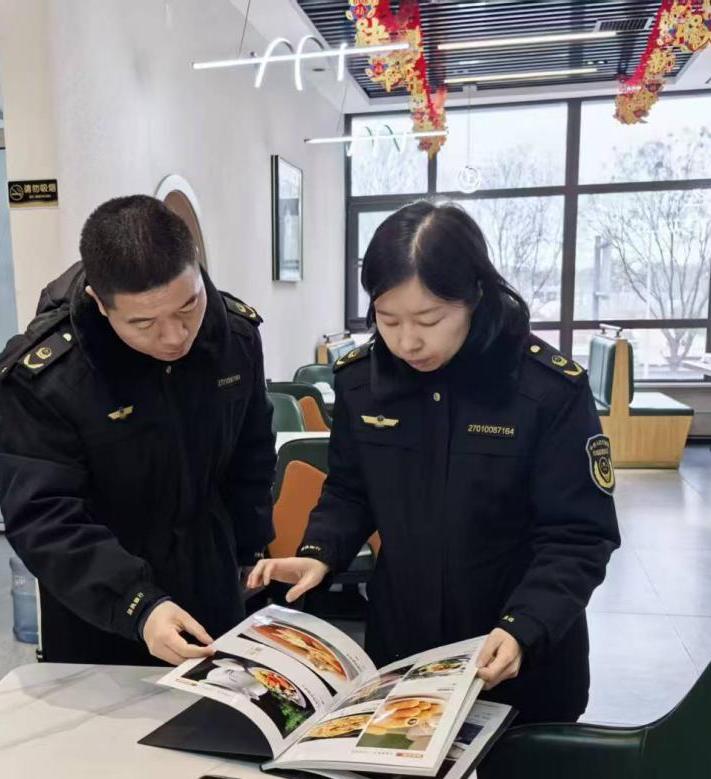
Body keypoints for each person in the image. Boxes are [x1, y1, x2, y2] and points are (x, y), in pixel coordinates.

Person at [248, 201, 620, 724]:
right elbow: (351, 490)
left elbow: (580, 535)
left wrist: (525, 625)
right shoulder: (363, 382)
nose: (407, 342)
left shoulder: (544, 390)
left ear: (476, 297)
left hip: (519, 659)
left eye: (429, 319)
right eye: (388, 319)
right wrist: (321, 551)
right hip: (405, 653)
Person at [0, 195, 275, 666]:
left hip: (213, 577)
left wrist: (248, 551)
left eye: (188, 307)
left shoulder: (234, 337)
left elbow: (252, 453)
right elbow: (44, 515)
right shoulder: (50, 376)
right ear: (100, 304)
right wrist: (137, 605)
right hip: (100, 603)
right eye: (143, 323)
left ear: (197, 269)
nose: (174, 336)